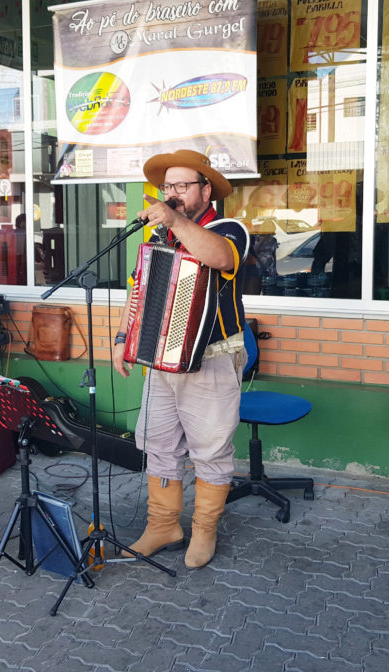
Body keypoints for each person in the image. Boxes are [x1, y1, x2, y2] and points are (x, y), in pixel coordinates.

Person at [112, 149, 249, 569]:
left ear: (205, 190)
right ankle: (163, 525)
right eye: (166, 187)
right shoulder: (157, 238)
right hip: (161, 360)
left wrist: (175, 220)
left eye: (181, 186)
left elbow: (219, 258)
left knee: (210, 450)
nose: (171, 194)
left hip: (213, 358)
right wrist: (123, 337)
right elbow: (137, 292)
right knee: (157, 443)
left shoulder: (229, 228)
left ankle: (204, 530)